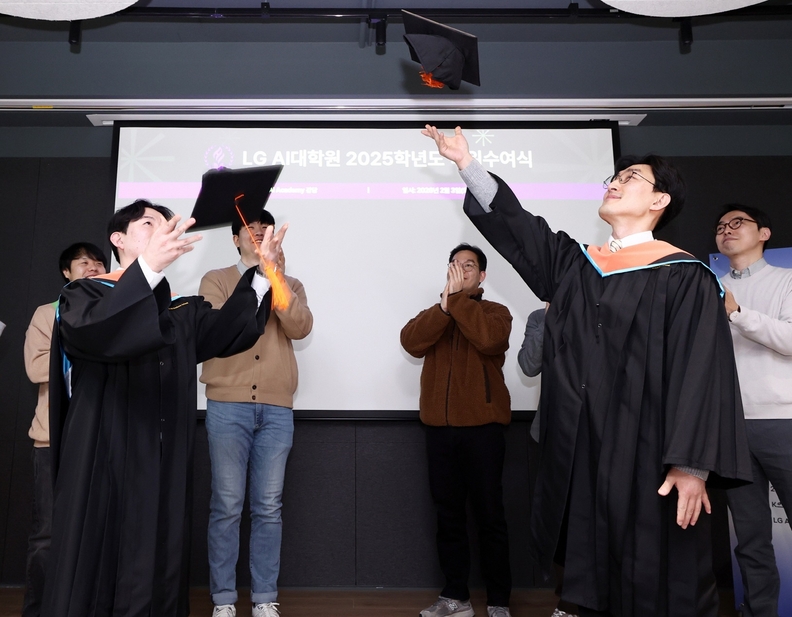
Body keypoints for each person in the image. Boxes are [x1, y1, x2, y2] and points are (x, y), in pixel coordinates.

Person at [423, 125, 752, 617]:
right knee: (585, 571)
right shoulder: (578, 266)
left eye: (630, 177)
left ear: (659, 200)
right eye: (613, 177)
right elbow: (519, 227)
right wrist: (467, 163)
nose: (614, 183)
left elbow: (701, 372)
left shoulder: (685, 276)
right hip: (581, 448)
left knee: (655, 575)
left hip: (650, 453)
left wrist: (691, 465)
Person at [42, 199, 283, 617]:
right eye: (148, 223)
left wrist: (263, 273)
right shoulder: (83, 296)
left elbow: (230, 330)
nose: (162, 229)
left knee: (158, 555)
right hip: (105, 455)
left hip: (163, 458)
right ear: (118, 240)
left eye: (166, 224)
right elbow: (98, 333)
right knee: (99, 556)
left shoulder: (180, 310)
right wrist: (148, 267)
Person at [199, 209, 313, 617]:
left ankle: (265, 598)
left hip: (277, 409)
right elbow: (222, 326)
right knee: (227, 505)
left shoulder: (291, 284)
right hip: (227, 405)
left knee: (268, 507)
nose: (260, 234)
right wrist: (258, 279)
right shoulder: (216, 279)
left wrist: (275, 276)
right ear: (236, 239)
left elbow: (299, 327)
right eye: (251, 229)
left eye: (266, 229)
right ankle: (224, 601)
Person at [401, 243, 513, 617]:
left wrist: (458, 301)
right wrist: (444, 307)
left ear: (482, 276)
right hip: (440, 431)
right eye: (455, 264)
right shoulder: (437, 313)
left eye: (469, 266)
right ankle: (455, 597)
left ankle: (498, 601)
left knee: (490, 518)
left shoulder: (496, 313)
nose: (461, 270)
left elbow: (489, 340)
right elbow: (410, 341)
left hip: (484, 431)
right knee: (448, 518)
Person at [21, 242, 108, 617]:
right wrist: (87, 350)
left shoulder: (115, 314)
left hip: (101, 439)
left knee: (97, 530)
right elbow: (35, 368)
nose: (93, 267)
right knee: (48, 533)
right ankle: (38, 609)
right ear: (66, 272)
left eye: (99, 263)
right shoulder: (47, 313)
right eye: (84, 262)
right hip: (51, 440)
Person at [714, 204, 792, 617]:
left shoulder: (787, 280)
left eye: (737, 223)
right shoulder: (708, 287)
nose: (727, 230)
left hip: (783, 421)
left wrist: (738, 314)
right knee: (749, 537)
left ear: (764, 233)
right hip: (730, 427)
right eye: (720, 227)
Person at [517, 304, 578, 617]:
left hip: (596, 436)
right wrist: (552, 316)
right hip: (552, 434)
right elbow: (529, 365)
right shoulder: (539, 318)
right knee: (558, 520)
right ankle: (566, 599)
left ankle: (585, 599)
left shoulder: (601, 313)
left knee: (591, 518)